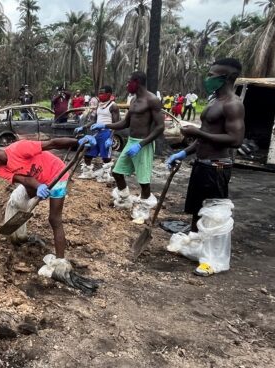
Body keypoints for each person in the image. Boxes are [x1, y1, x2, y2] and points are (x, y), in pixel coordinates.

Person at [166, 58, 246, 276]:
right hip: (201, 163)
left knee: (214, 214)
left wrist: (198, 132)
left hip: (217, 166)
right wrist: (183, 152)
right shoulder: (213, 101)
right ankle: (198, 248)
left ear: (227, 77)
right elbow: (204, 136)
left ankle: (213, 260)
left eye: (213, 75)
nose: (208, 78)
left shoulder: (233, 104)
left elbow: (235, 139)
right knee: (197, 209)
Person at [0, 134, 96, 259]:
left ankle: (60, 261)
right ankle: (18, 236)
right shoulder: (1, 170)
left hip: (57, 174)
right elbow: (24, 180)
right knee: (15, 200)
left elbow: (52, 143)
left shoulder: (19, 148)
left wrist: (77, 142)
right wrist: (39, 187)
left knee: (54, 219)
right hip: (36, 180)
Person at [91, 71, 164, 221]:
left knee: (143, 180)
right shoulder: (133, 101)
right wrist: (104, 125)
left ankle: (144, 210)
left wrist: (141, 145)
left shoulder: (152, 100)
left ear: (137, 82)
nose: (126, 85)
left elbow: (160, 127)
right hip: (131, 140)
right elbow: (125, 123)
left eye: (128, 82)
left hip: (143, 144)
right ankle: (125, 199)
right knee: (117, 172)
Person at [75, 85, 120, 182]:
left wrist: (111, 138)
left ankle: (106, 176)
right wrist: (83, 126)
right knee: (88, 153)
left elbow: (116, 124)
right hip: (97, 133)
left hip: (107, 132)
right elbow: (94, 120)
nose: (100, 95)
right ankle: (88, 173)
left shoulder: (113, 106)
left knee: (105, 157)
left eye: (102, 93)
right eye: (99, 93)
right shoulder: (99, 105)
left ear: (108, 94)